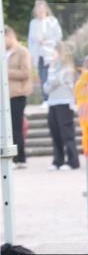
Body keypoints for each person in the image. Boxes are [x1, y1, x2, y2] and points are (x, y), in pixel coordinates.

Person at [43, 41, 80, 170]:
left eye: (54, 52)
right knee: (55, 132)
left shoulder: (68, 68)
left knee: (67, 133)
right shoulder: (52, 67)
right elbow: (46, 87)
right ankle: (58, 160)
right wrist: (51, 78)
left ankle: (72, 161)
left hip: (64, 103)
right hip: (53, 102)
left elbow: (56, 81)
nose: (52, 55)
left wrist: (51, 82)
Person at [5, 26, 32, 168]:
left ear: (9, 36)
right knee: (7, 129)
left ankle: (19, 158)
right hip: (5, 96)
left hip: (18, 94)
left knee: (16, 127)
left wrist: (5, 72)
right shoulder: (4, 53)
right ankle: (12, 157)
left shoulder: (22, 52)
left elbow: (26, 73)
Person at [27, 0, 62, 106]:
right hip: (38, 53)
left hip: (51, 52)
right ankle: (46, 98)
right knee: (42, 76)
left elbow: (58, 37)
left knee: (51, 75)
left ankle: (53, 97)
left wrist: (48, 42)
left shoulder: (52, 21)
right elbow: (30, 39)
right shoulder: (33, 23)